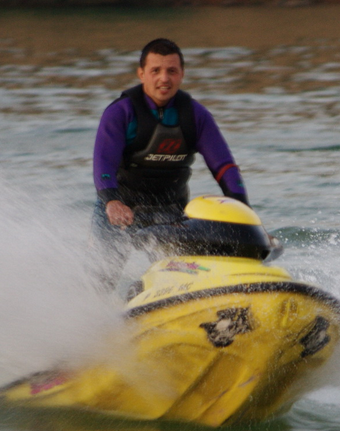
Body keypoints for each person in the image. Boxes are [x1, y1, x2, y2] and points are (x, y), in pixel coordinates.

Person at [91, 38, 248, 283]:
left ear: (182, 74)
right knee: (102, 280)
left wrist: (242, 210)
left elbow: (224, 166)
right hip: (120, 210)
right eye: (156, 70)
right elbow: (103, 164)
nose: (164, 78)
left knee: (183, 279)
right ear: (141, 74)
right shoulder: (121, 112)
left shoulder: (195, 115)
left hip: (170, 213)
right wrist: (112, 201)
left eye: (172, 71)